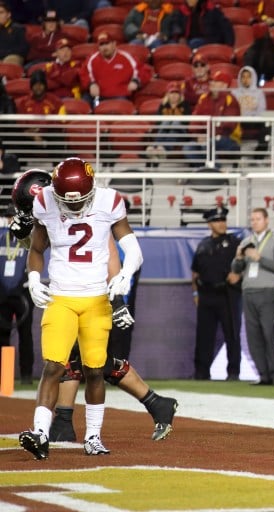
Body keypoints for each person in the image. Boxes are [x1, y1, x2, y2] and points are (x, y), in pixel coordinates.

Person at [10, 169, 178, 442]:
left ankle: (149, 403)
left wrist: (119, 301)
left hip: (105, 287)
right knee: (74, 360)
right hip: (72, 291)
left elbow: (109, 254)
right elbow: (48, 245)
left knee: (91, 363)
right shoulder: (51, 208)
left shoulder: (95, 212)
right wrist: (26, 237)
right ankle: (151, 403)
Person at [19, 157, 144, 460]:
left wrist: (125, 275)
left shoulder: (109, 201)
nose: (74, 208)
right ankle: (39, 433)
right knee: (53, 365)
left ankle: (93, 436)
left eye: (80, 201)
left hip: (96, 298)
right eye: (67, 201)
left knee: (94, 371)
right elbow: (36, 248)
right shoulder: (45, 201)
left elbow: (133, 248)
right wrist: (34, 278)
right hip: (60, 297)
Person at [232, 208, 274, 386]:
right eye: (252, 219)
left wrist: (260, 258)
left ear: (266, 221)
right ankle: (263, 374)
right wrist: (239, 257)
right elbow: (235, 269)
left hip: (268, 290)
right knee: (253, 335)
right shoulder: (246, 242)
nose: (254, 222)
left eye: (258, 219)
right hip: (249, 291)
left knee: (268, 332)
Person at [192, 207, 242, 381]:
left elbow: (244, 264)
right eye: (217, 221)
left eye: (223, 220)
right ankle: (201, 372)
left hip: (227, 293)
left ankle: (233, 372)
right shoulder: (203, 245)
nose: (221, 224)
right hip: (206, 294)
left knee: (232, 334)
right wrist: (195, 294)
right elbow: (195, 272)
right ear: (209, 224)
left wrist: (239, 274)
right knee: (204, 336)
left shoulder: (235, 243)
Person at [0, 204, 34, 384]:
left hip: (23, 293)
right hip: (3, 293)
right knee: (2, 334)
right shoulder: (1, 237)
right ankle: (4, 377)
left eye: (13, 216)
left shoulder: (28, 240)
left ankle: (27, 376)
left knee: (25, 335)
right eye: (8, 217)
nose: (10, 220)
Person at [185, 70, 242, 162]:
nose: (211, 83)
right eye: (212, 81)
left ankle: (216, 173)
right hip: (206, 138)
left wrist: (209, 135)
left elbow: (228, 126)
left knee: (207, 144)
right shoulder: (203, 98)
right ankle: (203, 172)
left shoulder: (230, 99)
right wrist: (198, 135)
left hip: (229, 139)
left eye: (215, 81)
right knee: (188, 148)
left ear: (224, 85)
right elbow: (194, 120)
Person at [79, 30, 145, 106]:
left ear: (114, 44)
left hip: (120, 95)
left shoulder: (126, 57)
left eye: (107, 43)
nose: (104, 47)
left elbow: (143, 70)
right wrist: (90, 84)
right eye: (101, 44)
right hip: (98, 96)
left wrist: (136, 81)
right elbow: (83, 73)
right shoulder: (92, 59)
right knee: (83, 104)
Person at [0, 2, 28, 66]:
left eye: (1, 13)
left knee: (10, 60)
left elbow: (23, 49)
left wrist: (4, 53)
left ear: (9, 14)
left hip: (13, 56)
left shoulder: (18, 28)